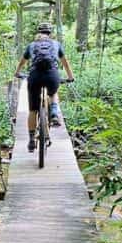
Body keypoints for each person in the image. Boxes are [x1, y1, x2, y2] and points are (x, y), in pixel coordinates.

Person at [13, 21, 75, 152]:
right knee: (53, 93)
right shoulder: (56, 44)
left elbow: (22, 62)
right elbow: (66, 63)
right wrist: (70, 77)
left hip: (34, 76)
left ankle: (30, 141)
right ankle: (53, 113)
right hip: (51, 75)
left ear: (38, 33)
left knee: (33, 110)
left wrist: (17, 73)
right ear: (50, 33)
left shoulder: (31, 45)